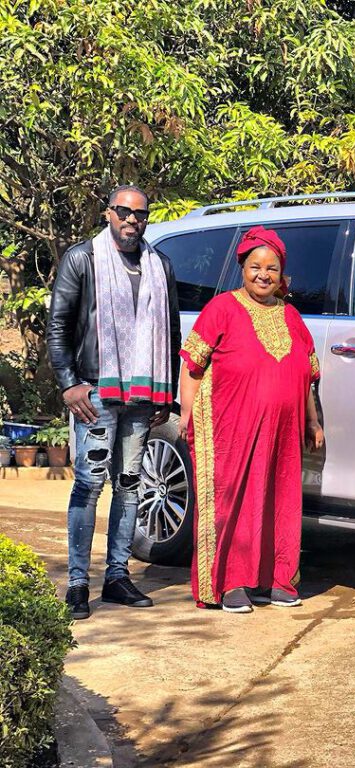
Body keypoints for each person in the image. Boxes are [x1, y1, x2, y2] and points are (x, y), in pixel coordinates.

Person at [47, 184, 180, 620]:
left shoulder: (160, 265)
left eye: (140, 214)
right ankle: (79, 583)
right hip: (95, 391)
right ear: (108, 213)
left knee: (129, 485)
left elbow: (172, 333)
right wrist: (69, 384)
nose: (132, 220)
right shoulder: (82, 259)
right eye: (123, 212)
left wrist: (168, 390)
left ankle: (118, 576)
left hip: (143, 397)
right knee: (89, 484)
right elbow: (59, 326)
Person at [178, 225, 324, 614]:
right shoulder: (222, 308)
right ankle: (230, 584)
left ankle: (276, 580)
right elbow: (193, 365)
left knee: (280, 499)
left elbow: (307, 377)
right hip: (230, 429)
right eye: (256, 266)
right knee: (235, 500)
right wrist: (187, 413)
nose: (264, 274)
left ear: (282, 274)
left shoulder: (291, 316)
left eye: (272, 268)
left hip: (284, 432)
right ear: (242, 268)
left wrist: (312, 422)